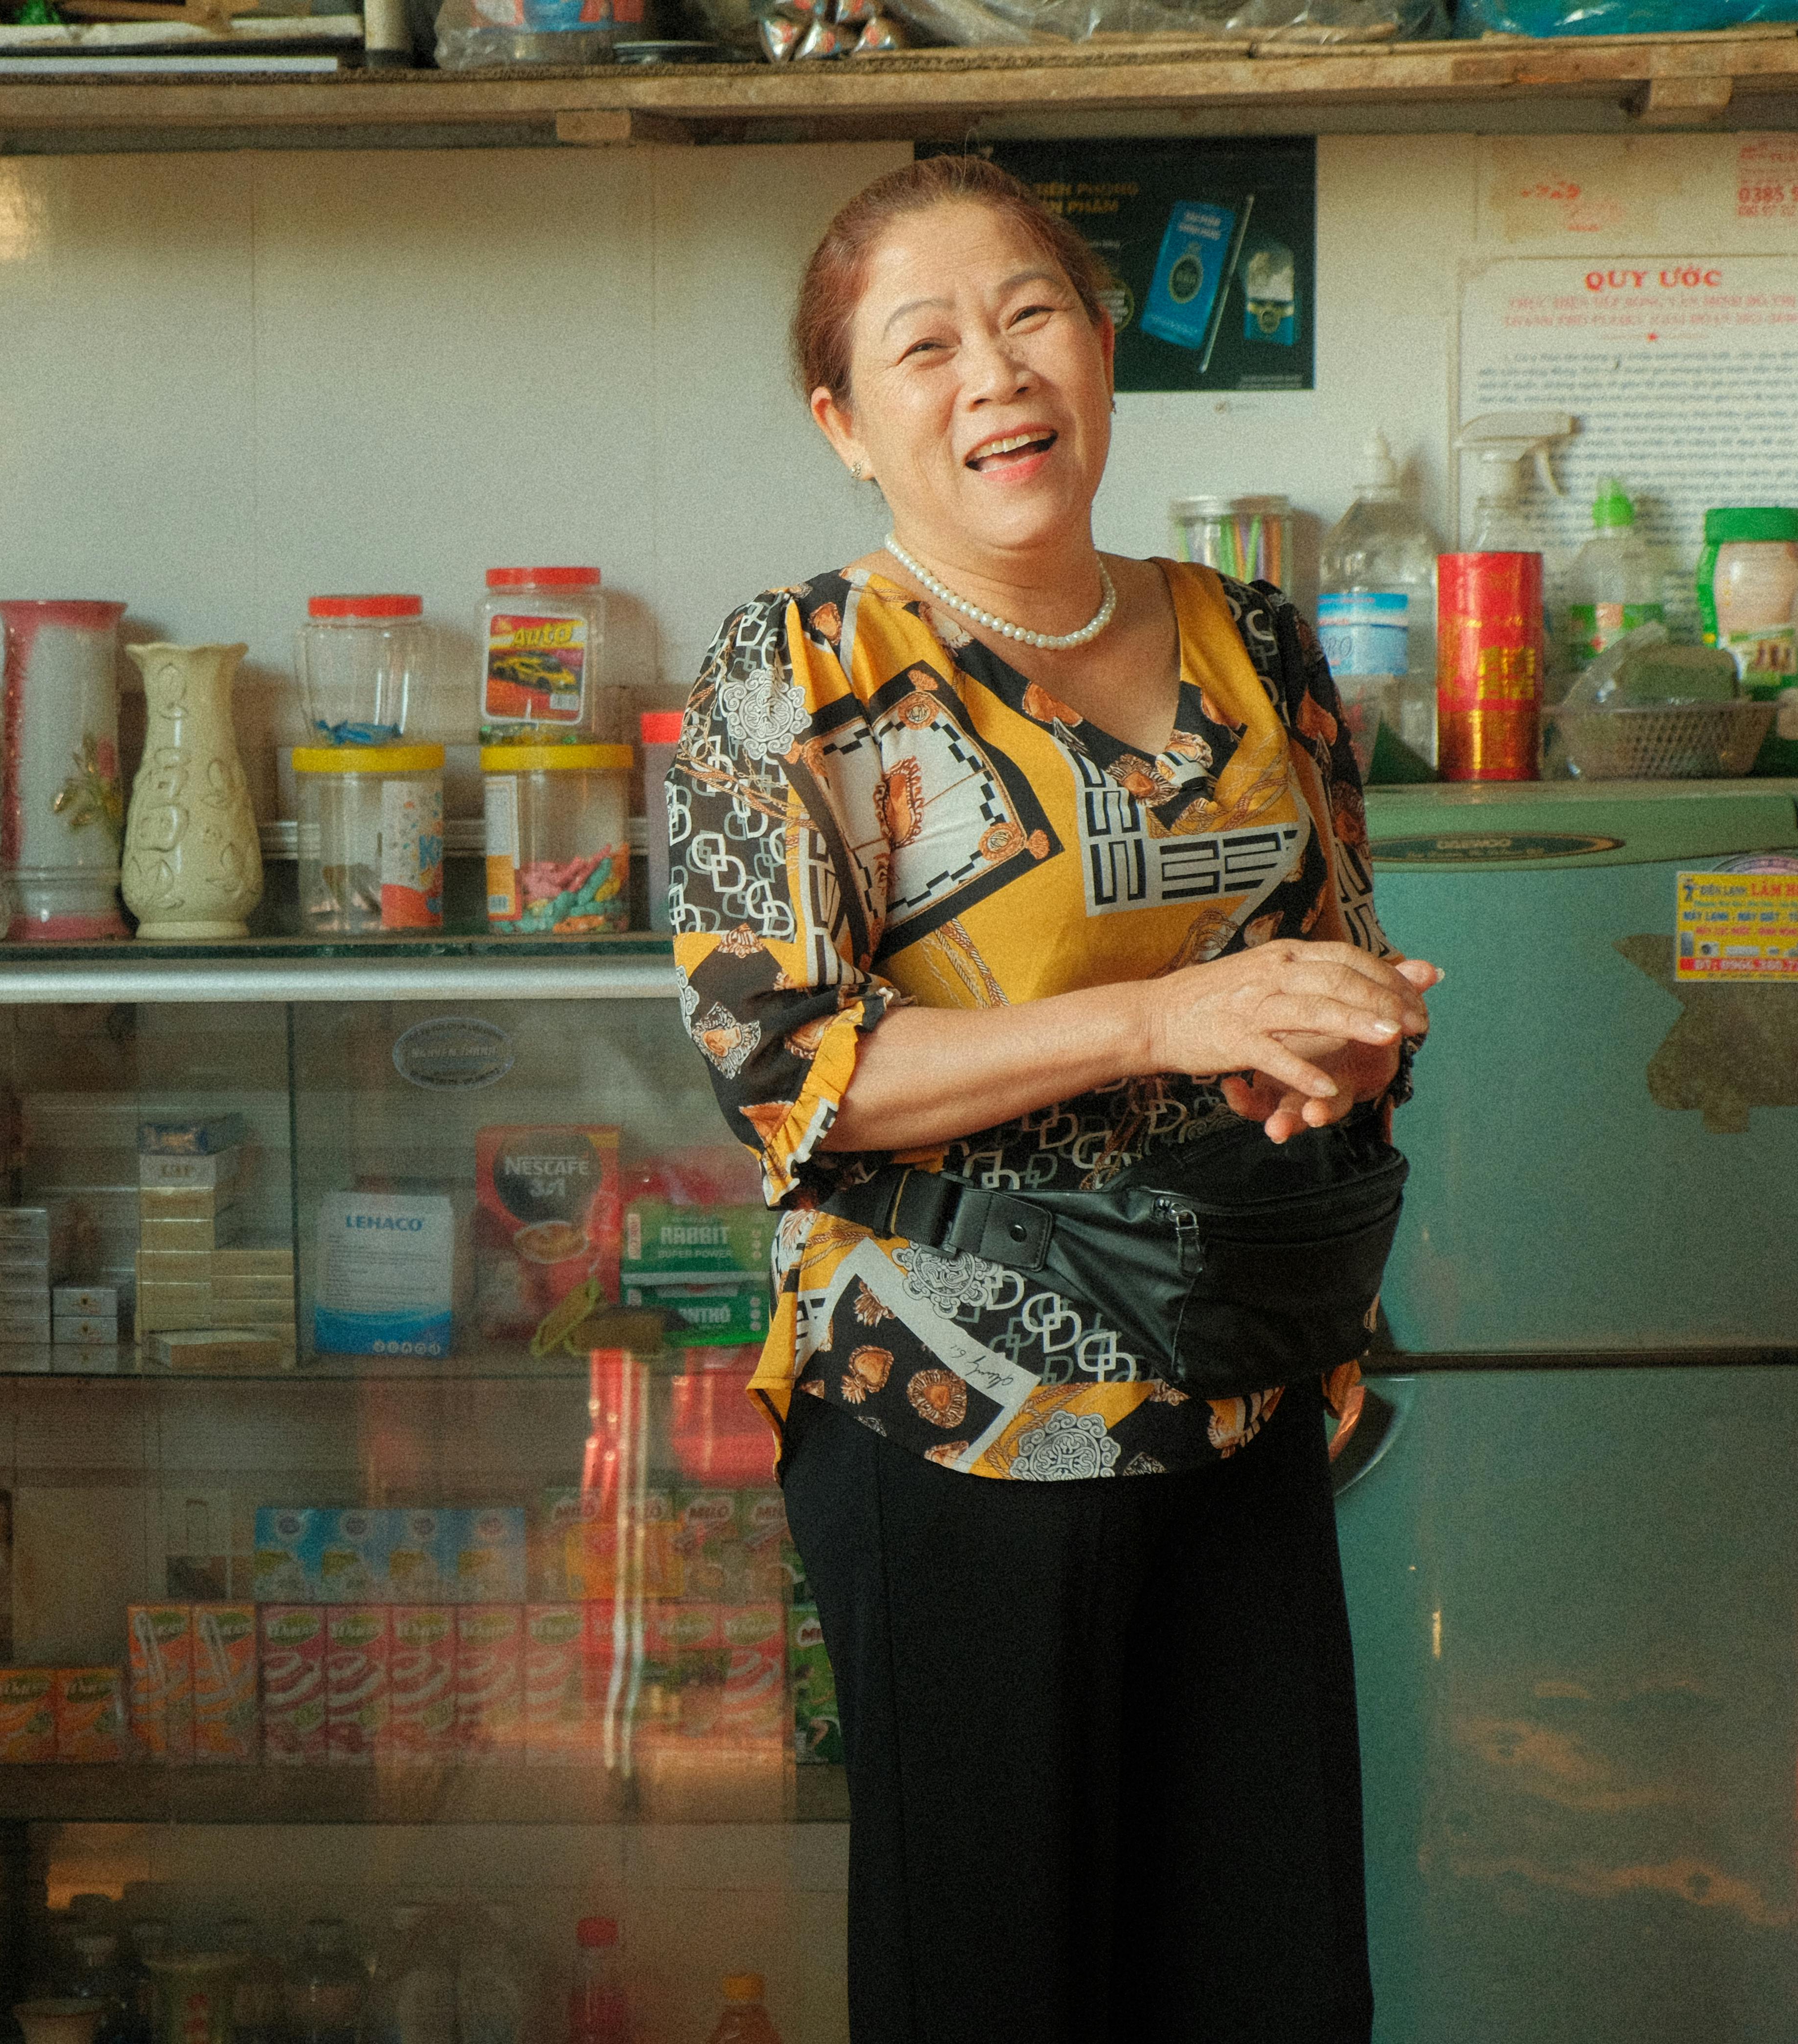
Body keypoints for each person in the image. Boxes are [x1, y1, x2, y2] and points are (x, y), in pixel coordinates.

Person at [665, 155, 1441, 2044]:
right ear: (847, 423)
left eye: (1029, 316)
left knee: (1268, 1976)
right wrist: (1167, 1022)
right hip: (955, 1414)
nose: (994, 371)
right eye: (926, 345)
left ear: (1101, 352)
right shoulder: (798, 676)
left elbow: (1328, 949)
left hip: (1241, 1390)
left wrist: (1337, 1042)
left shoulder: (1256, 637)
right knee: (993, 1982)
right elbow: (790, 1071)